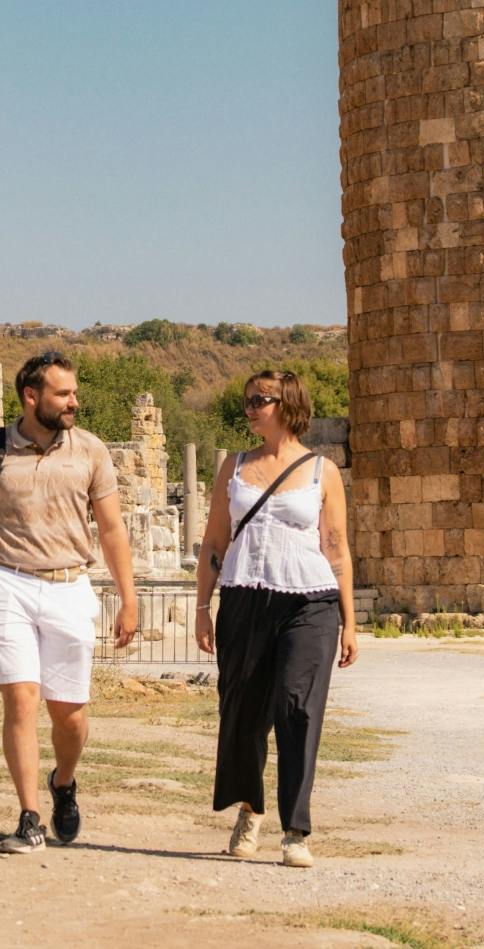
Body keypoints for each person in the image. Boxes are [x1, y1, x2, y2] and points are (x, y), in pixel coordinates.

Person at [0, 351, 138, 854]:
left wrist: (129, 598)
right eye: (63, 394)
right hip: (7, 581)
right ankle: (29, 817)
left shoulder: (90, 451)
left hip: (69, 585)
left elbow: (112, 528)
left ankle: (64, 782)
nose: (74, 401)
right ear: (32, 397)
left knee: (69, 713)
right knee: (21, 700)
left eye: (74, 392)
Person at [193, 369, 357, 868]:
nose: (250, 408)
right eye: (246, 400)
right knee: (242, 713)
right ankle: (250, 809)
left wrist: (350, 621)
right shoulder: (234, 468)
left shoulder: (320, 471)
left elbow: (337, 549)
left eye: (259, 400)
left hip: (309, 603)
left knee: (297, 708)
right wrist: (203, 607)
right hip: (244, 600)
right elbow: (214, 543)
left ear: (287, 405)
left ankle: (296, 829)